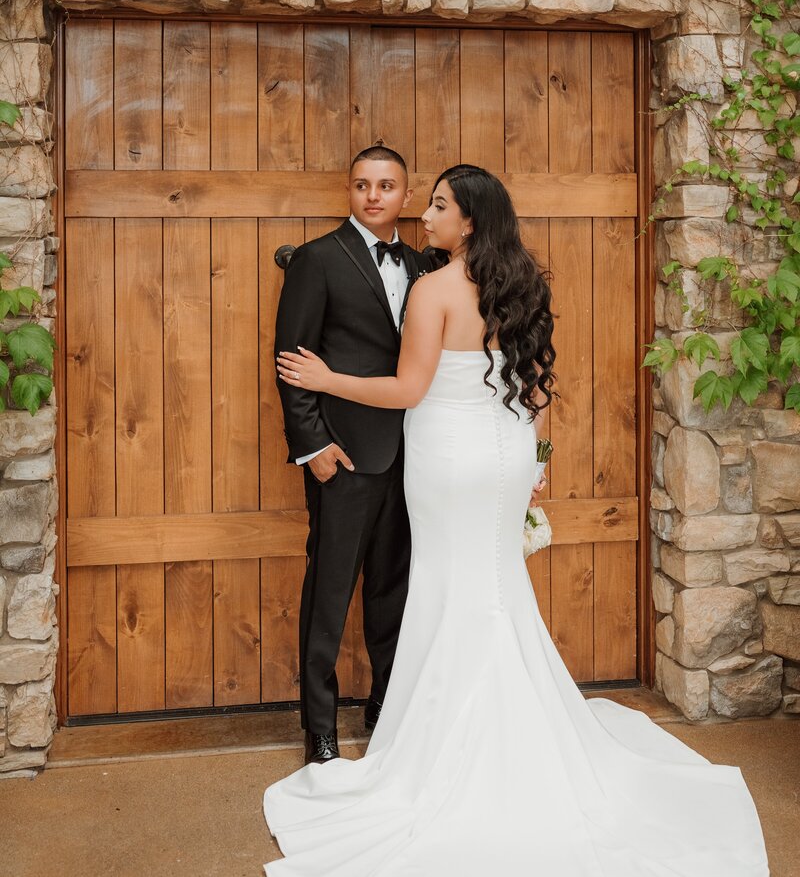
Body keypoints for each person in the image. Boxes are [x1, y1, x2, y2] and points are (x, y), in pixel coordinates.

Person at [265, 163, 770, 877]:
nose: (426, 216)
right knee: (496, 586)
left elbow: (410, 387)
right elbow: (535, 390)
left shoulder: (434, 288)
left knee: (447, 586)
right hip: (503, 458)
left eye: (438, 206)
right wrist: (533, 462)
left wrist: (326, 379)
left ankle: (452, 742)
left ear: (468, 221)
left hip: (444, 462)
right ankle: (515, 724)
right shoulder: (523, 284)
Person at [273, 145, 430, 767]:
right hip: (342, 454)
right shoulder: (316, 260)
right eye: (363, 184)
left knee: (394, 589)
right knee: (329, 592)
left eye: (386, 185)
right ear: (349, 191)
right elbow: (291, 362)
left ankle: (386, 708)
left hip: (411, 457)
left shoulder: (423, 265)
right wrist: (313, 448)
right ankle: (319, 727)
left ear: (405, 196)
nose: (374, 195)